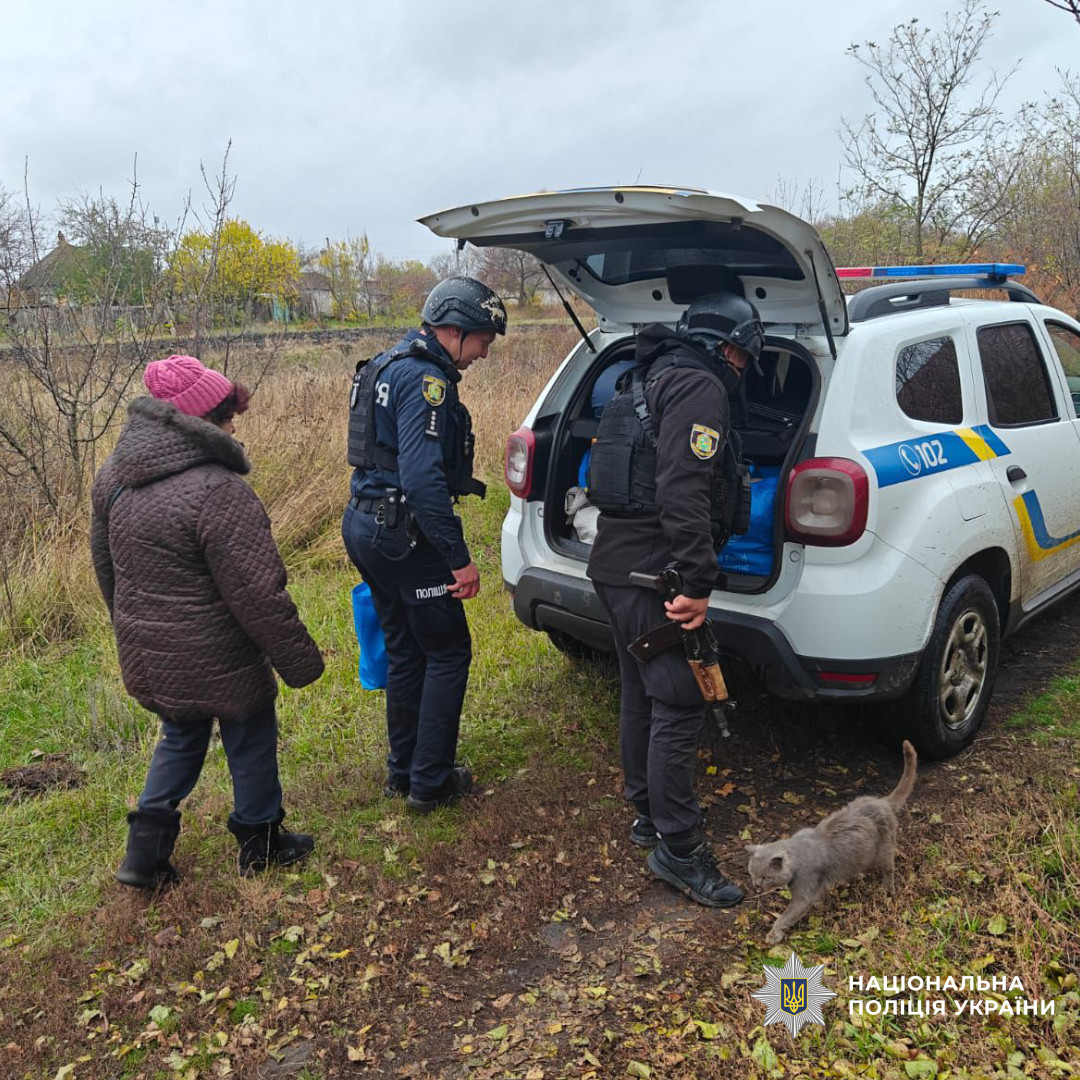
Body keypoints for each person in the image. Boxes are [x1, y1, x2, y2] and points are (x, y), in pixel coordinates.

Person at [90, 354, 324, 888]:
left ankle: (143, 856)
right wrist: (300, 661)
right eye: (227, 415)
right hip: (222, 651)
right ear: (199, 421)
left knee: (179, 734)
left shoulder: (113, 478)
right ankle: (262, 844)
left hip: (153, 650)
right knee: (251, 731)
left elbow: (106, 568)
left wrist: (131, 626)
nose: (234, 426)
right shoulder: (218, 490)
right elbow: (258, 593)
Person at [586, 293, 765, 908]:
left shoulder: (646, 375)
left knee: (643, 690)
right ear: (727, 348)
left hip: (616, 562)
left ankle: (648, 814)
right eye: (743, 357)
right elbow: (682, 487)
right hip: (654, 573)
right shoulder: (698, 386)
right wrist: (697, 580)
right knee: (682, 701)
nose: (742, 370)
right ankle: (680, 849)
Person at [342, 277, 506, 813]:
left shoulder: (387, 364)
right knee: (448, 650)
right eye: (482, 340)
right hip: (403, 534)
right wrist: (458, 559)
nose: (483, 353)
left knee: (406, 648)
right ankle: (430, 781)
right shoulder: (426, 380)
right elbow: (422, 480)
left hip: (365, 524)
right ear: (454, 330)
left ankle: (403, 770)